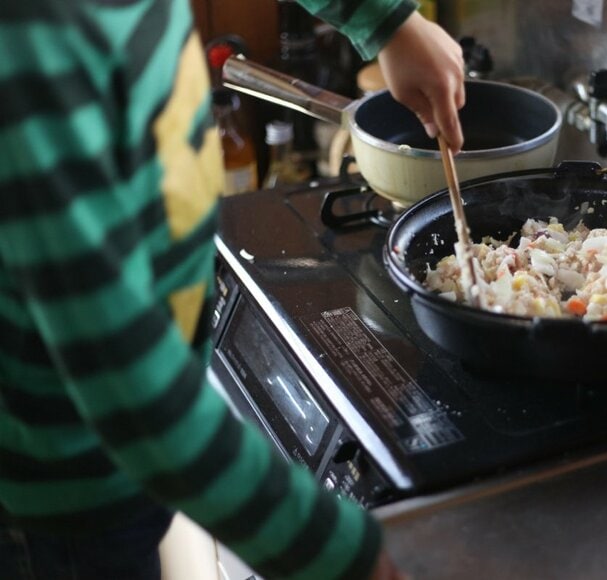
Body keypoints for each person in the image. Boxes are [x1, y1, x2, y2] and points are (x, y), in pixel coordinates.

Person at [0, 1, 464, 579]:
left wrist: (387, 23)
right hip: (69, 496)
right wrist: (333, 552)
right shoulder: (34, 52)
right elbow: (137, 400)